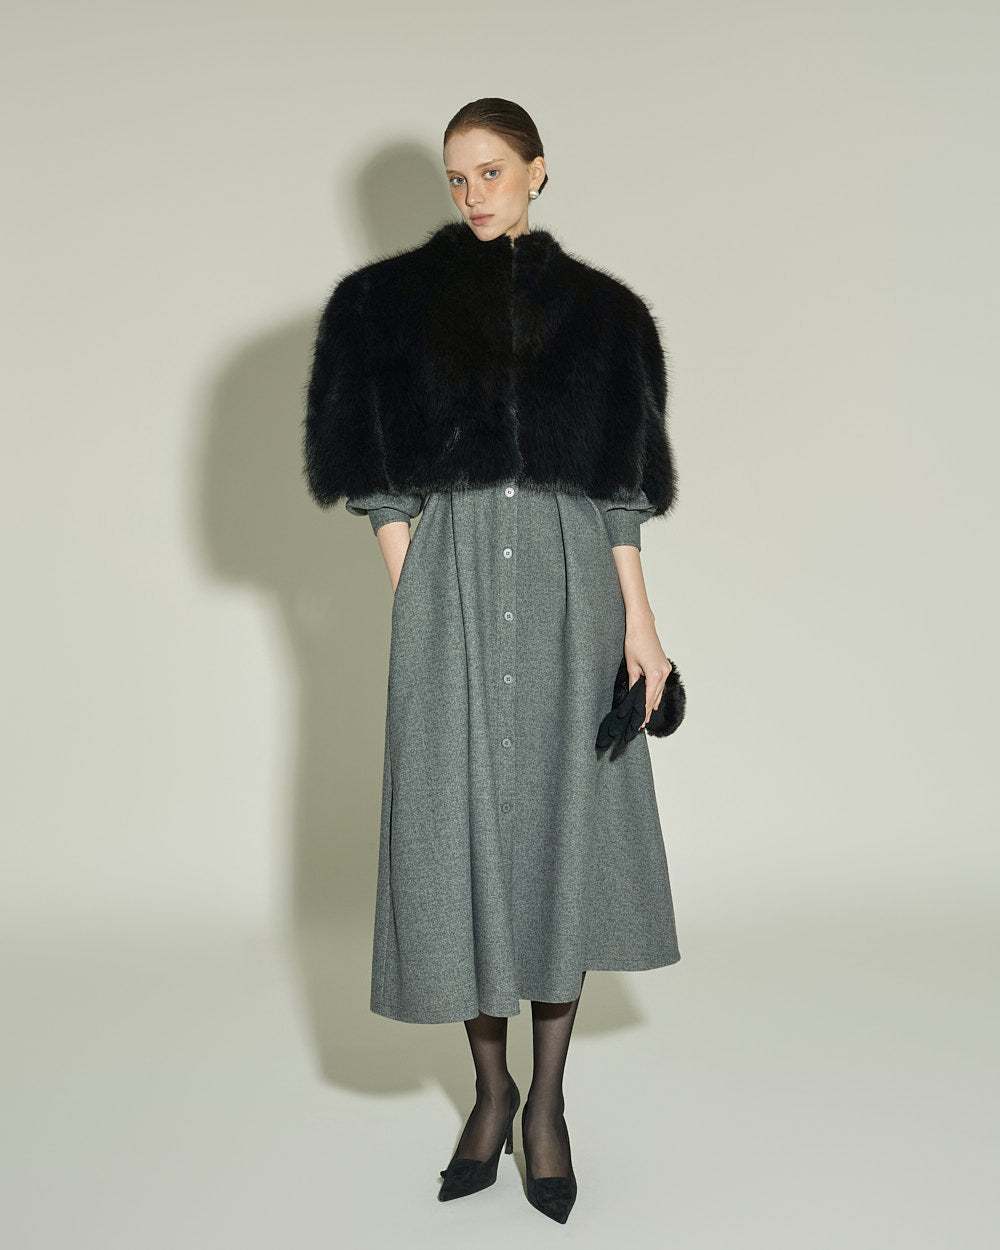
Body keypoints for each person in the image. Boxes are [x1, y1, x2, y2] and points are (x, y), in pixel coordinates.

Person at [303, 98, 681, 1224]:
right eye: (456, 176)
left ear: (538, 172)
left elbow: (621, 493)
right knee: (456, 842)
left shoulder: (604, 317)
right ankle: (490, 1089)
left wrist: (641, 627)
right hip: (453, 588)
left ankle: (545, 1104)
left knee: (563, 835)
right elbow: (379, 481)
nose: (473, 194)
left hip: (571, 592)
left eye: (492, 172)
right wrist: (418, 591)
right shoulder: (387, 308)